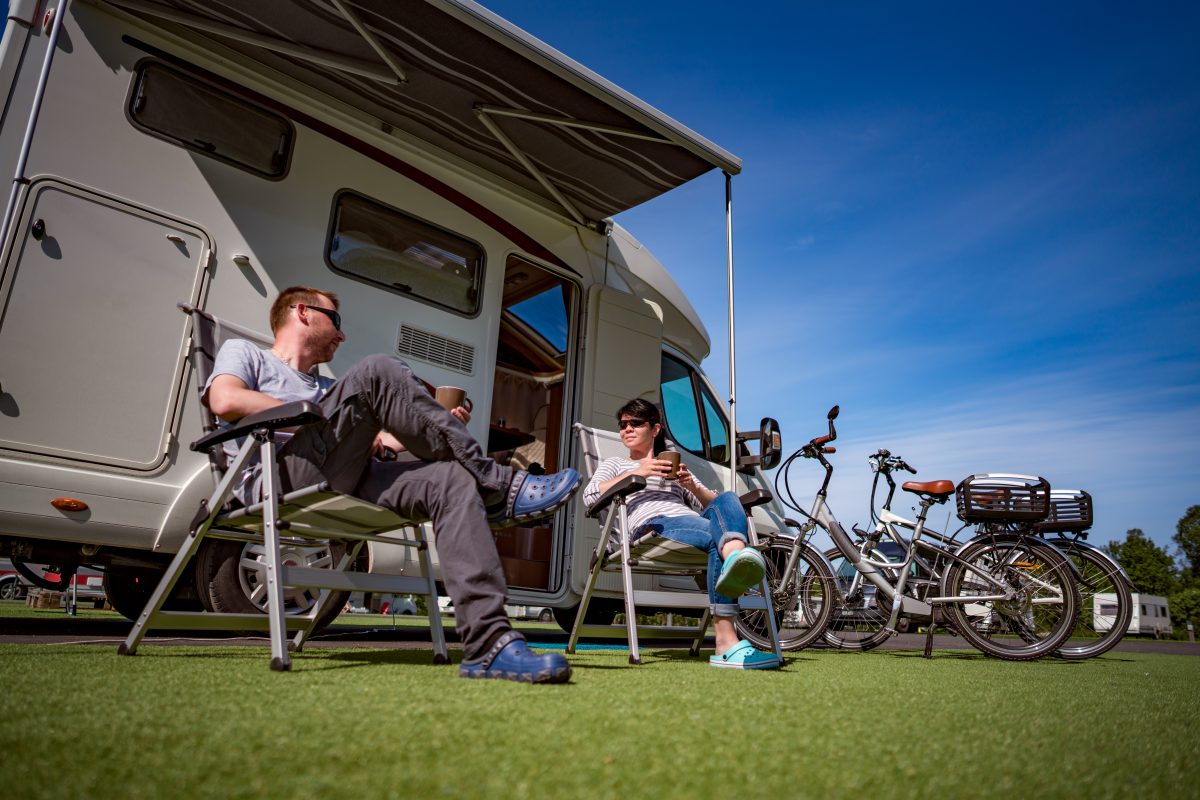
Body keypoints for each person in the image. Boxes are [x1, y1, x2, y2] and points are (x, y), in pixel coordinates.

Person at [204, 286, 580, 684]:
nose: (341, 334)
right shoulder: (247, 354)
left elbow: (384, 444)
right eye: (336, 320)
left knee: (450, 480)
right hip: (278, 476)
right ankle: (501, 488)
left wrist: (445, 423)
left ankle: (489, 645)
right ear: (301, 311)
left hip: (343, 477)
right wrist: (313, 415)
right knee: (376, 368)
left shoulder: (329, 391)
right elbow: (225, 400)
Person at [582, 398, 779, 669]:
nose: (626, 429)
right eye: (623, 424)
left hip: (691, 523)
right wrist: (638, 473)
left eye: (635, 423)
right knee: (718, 538)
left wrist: (691, 485)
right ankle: (726, 637)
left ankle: (733, 555)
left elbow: (715, 506)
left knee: (729, 499)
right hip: (653, 527)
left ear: (655, 429)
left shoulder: (674, 466)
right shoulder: (615, 464)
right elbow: (589, 497)